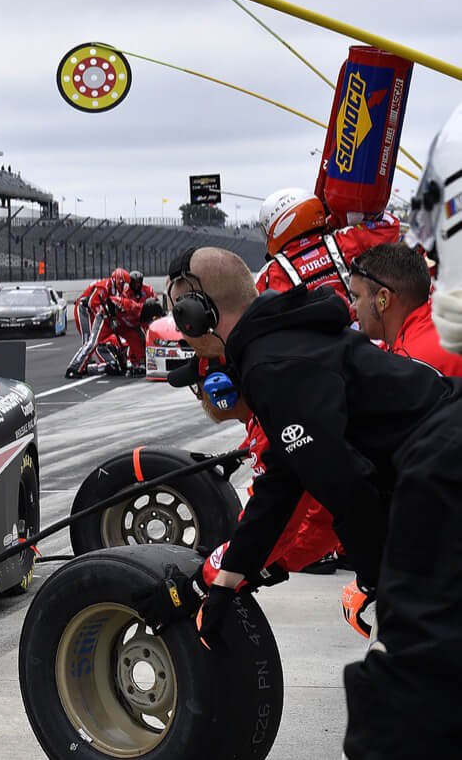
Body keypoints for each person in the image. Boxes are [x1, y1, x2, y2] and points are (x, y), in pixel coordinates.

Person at [166, 246, 462, 759]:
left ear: (200, 312)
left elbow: (346, 488)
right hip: (440, 470)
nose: (180, 324)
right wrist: (227, 580)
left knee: (392, 721)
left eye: (179, 311)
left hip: (444, 481)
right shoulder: (280, 344)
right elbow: (283, 481)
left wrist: (381, 584)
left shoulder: (273, 364)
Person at [255, 187, 400, 301]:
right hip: (358, 329)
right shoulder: (345, 241)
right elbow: (390, 225)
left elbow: (250, 315)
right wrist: (334, 221)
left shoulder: (270, 274)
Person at [348, 242, 462, 375]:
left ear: (383, 299)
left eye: (356, 297)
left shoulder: (411, 365)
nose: (352, 306)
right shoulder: (430, 321)